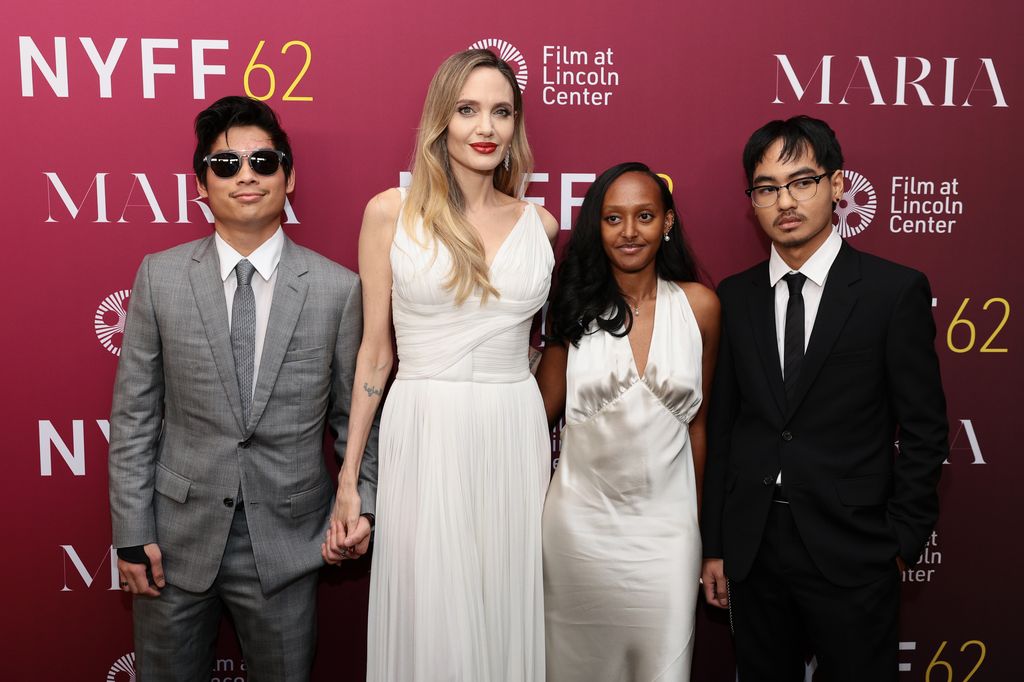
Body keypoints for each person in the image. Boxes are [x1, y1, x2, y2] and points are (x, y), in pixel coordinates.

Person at [108, 95, 378, 681]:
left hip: (288, 542)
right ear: (201, 184)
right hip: (172, 545)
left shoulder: (338, 290)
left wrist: (366, 507)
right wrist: (131, 535)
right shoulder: (160, 276)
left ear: (289, 176)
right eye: (225, 165)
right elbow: (133, 418)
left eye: (264, 160)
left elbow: (356, 420)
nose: (247, 175)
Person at [322, 49, 559, 681]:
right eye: (468, 109)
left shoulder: (542, 224)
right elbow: (376, 352)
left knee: (506, 601)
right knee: (432, 611)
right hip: (425, 425)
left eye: (501, 112)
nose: (485, 127)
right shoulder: (389, 213)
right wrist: (349, 479)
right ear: (440, 121)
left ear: (516, 127)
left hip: (513, 426)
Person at [700, 115, 948, 681]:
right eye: (767, 188)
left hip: (854, 547)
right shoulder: (735, 297)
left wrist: (902, 538)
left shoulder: (892, 291)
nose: (785, 201)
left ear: (837, 186)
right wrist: (717, 544)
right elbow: (726, 425)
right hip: (755, 548)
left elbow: (926, 429)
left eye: (802, 182)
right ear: (753, 200)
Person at [536, 162, 719, 681]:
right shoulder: (573, 310)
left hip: (668, 536)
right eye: (613, 218)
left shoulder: (701, 307)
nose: (629, 231)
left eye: (644, 216)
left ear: (667, 221)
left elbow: (699, 427)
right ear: (597, 226)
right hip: (578, 534)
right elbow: (535, 414)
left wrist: (703, 530)